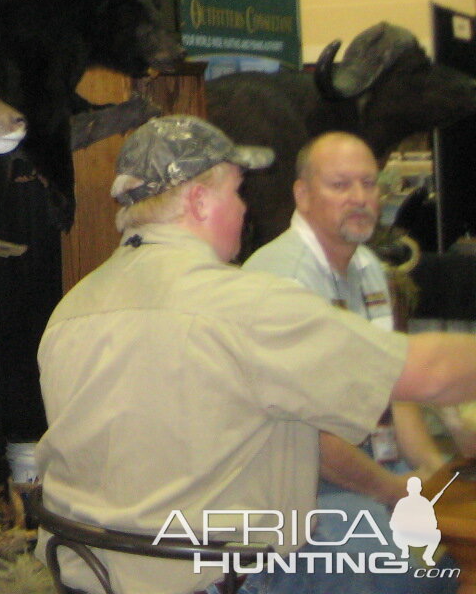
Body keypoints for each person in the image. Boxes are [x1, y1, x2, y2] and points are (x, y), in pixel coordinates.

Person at [36, 115, 476, 594]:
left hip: (89, 571)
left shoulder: (71, 308)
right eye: (237, 191)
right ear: (199, 200)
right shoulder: (243, 304)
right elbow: (427, 374)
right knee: (437, 570)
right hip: (221, 576)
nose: (245, 209)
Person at [244, 132, 454, 590]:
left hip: (373, 471)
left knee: (450, 561)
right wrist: (395, 492)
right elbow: (310, 440)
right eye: (340, 185)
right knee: (409, 579)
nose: (359, 198)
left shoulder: (370, 269)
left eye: (368, 183)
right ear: (303, 194)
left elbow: (395, 392)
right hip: (303, 491)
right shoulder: (280, 279)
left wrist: (438, 479)